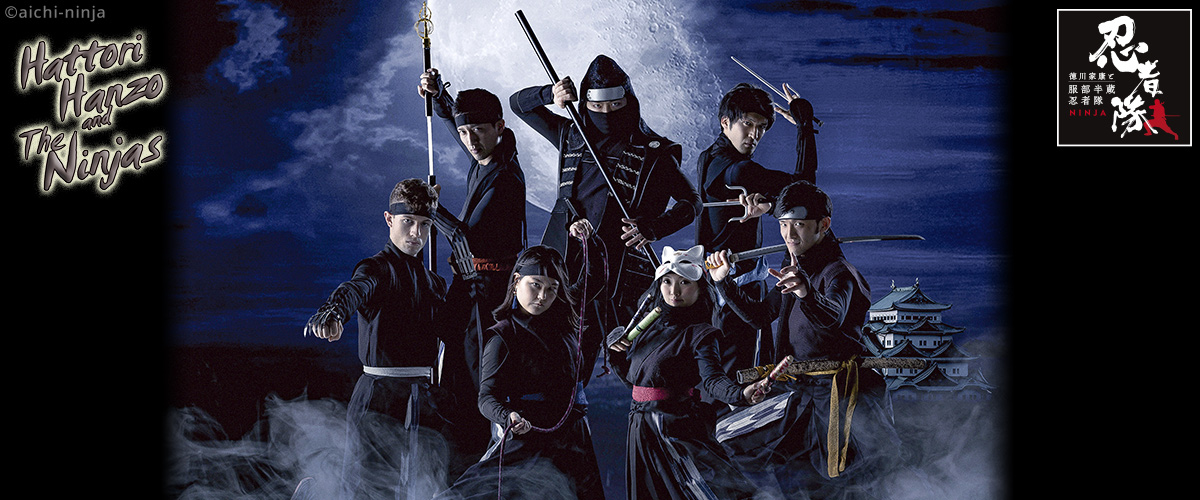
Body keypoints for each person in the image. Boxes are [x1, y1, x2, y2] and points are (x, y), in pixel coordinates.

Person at [705, 180, 900, 499]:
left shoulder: (840, 273)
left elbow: (832, 316)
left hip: (839, 393)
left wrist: (807, 292)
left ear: (823, 225)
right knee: (767, 458)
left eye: (799, 225)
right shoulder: (794, 268)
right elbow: (759, 316)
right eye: (783, 224)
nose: (789, 234)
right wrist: (723, 282)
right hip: (797, 392)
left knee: (846, 479)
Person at [510, 54, 702, 364]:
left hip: (618, 270)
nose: (607, 113)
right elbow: (519, 105)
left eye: (615, 105)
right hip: (564, 260)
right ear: (586, 103)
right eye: (597, 106)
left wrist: (653, 228)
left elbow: (692, 203)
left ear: (629, 102)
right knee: (546, 347)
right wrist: (550, 94)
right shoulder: (572, 134)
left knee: (627, 355)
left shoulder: (655, 152)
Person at [434, 219, 607, 500]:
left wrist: (590, 239)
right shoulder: (503, 336)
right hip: (528, 436)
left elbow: (594, 278)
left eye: (551, 288)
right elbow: (486, 398)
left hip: (573, 438)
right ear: (516, 282)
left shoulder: (562, 320)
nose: (542, 296)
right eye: (535, 285)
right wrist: (508, 416)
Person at [303, 178, 453, 499]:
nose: (416, 233)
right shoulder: (376, 269)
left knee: (419, 488)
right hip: (379, 396)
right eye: (407, 221)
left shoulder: (436, 284)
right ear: (389, 219)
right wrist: (334, 311)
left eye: (425, 224)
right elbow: (355, 289)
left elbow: (454, 331)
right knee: (368, 488)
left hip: (423, 398)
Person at [419, 68, 528, 474]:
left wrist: (431, 209)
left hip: (488, 295)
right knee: (453, 374)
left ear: (499, 127)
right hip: (469, 286)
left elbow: (467, 239)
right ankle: (457, 462)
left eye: (479, 130)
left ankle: (477, 466)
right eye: (466, 133)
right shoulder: (487, 155)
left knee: (473, 379)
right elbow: (459, 125)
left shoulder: (505, 178)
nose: (470, 140)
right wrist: (438, 97)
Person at [608, 245, 769, 500]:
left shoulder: (701, 333)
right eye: (667, 282)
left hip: (674, 427)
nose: (674, 291)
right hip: (640, 425)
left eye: (685, 282)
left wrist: (741, 394)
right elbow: (635, 381)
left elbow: (713, 379)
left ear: (699, 287)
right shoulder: (645, 326)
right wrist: (615, 348)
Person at [695, 82, 820, 410]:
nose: (754, 135)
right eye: (747, 124)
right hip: (734, 289)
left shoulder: (709, 158)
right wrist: (804, 124)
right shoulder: (740, 170)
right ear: (725, 122)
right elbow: (805, 190)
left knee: (737, 378)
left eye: (762, 127)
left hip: (719, 283)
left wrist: (768, 204)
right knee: (737, 383)